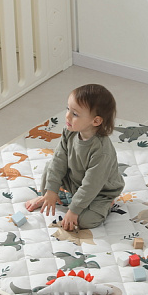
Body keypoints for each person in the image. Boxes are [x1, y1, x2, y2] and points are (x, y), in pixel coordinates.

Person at [25, 84, 124, 231]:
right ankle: (47, 197)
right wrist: (51, 191)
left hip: (100, 191)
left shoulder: (102, 151)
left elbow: (91, 185)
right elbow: (58, 161)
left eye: (75, 114)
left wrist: (73, 211)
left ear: (96, 121)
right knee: (51, 166)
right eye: (68, 109)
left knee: (85, 221)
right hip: (75, 180)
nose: (67, 116)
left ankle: (107, 205)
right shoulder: (69, 131)